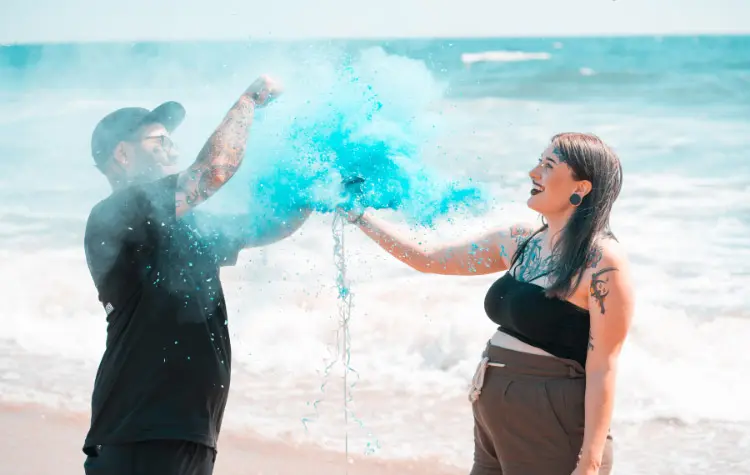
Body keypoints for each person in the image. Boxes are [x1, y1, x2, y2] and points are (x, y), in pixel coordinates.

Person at [342, 133, 635, 475]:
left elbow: (604, 367)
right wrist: (359, 216)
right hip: (493, 415)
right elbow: (429, 259)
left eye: (548, 165)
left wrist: (591, 462)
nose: (533, 172)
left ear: (580, 188)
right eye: (538, 162)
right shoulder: (519, 241)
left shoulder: (602, 263)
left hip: (552, 424)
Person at [82, 75, 310, 475]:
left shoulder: (180, 226)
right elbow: (213, 172)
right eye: (159, 141)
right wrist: (248, 101)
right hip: (142, 430)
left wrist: (322, 189)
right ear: (122, 154)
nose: (172, 147)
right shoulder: (117, 214)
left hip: (183, 431)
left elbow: (268, 225)